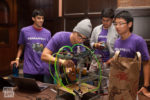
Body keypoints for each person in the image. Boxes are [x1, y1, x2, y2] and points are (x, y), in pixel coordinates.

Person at [41, 19, 92, 84]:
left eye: (84, 39)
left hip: (66, 75)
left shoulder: (81, 47)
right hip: (50, 72)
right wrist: (62, 61)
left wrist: (76, 79)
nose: (81, 40)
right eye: (79, 36)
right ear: (74, 31)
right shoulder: (59, 37)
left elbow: (77, 66)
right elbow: (44, 56)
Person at [113, 10, 150, 97]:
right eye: (115, 24)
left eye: (121, 23)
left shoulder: (138, 41)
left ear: (129, 24)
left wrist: (146, 86)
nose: (117, 26)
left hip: (136, 84)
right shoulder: (116, 42)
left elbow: (146, 63)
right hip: (120, 83)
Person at [10, 9, 51, 82]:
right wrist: (17, 59)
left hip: (42, 69)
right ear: (33, 18)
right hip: (29, 68)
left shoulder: (48, 33)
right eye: (39, 18)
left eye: (42, 18)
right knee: (28, 91)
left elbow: (49, 50)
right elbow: (21, 47)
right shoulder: (24, 31)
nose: (41, 20)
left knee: (43, 92)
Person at [90, 8, 118, 94]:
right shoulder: (96, 29)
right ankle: (95, 93)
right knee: (92, 75)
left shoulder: (117, 30)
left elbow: (119, 48)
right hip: (96, 59)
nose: (105, 23)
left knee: (106, 84)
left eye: (107, 20)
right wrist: (96, 45)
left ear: (112, 19)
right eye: (103, 20)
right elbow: (91, 42)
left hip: (109, 61)